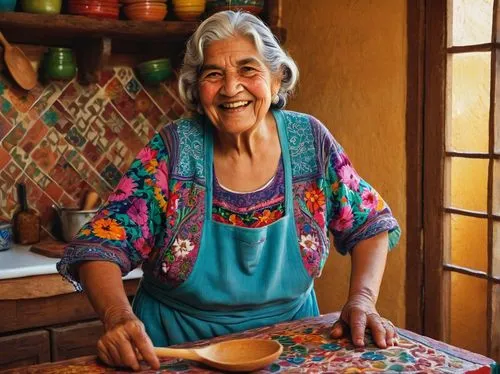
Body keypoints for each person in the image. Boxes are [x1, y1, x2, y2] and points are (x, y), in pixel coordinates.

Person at [57, 10, 401, 371]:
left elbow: (369, 222)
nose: (230, 87)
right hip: (176, 348)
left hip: (290, 346)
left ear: (276, 78)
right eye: (213, 74)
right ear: (196, 88)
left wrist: (362, 299)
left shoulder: (310, 142)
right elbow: (102, 244)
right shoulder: (174, 150)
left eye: (248, 69)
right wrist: (117, 318)